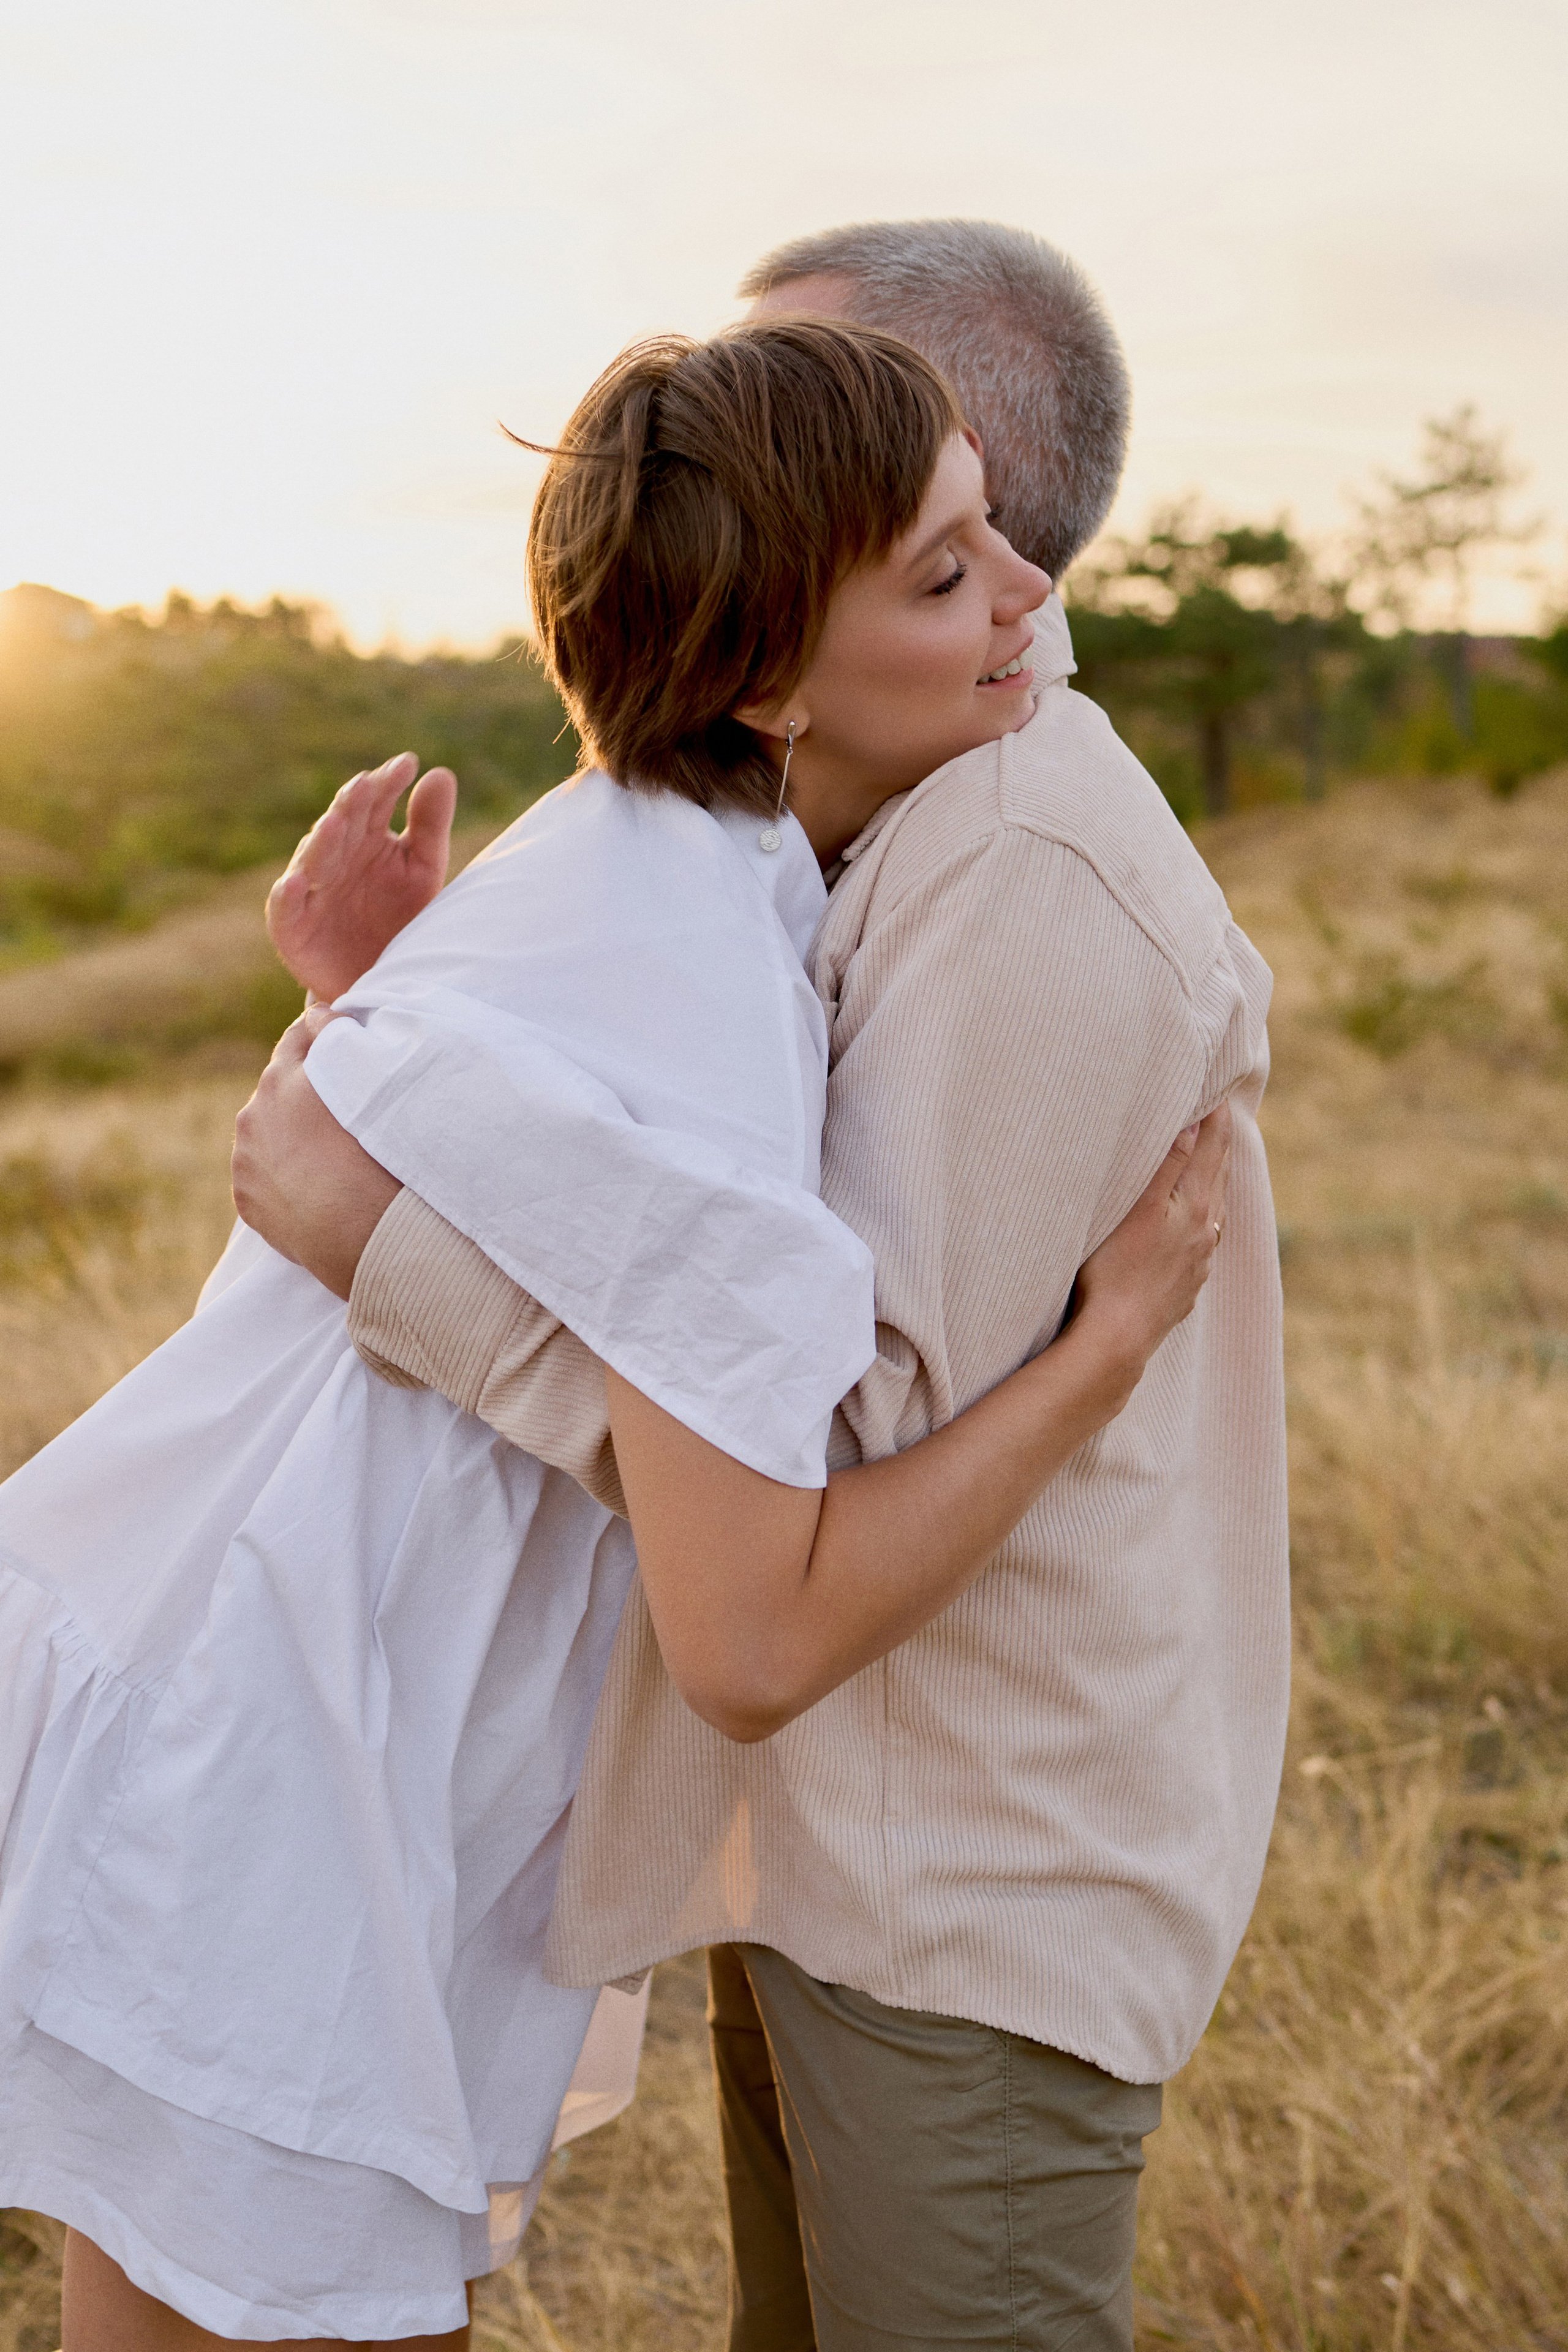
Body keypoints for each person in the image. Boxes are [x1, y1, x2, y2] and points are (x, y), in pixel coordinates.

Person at [0, 317, 1228, 2352]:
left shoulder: (606, 855)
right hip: (302, 1832)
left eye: (995, 533)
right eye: (943, 574)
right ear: (756, 677)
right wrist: (1102, 1354)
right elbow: (754, 1644)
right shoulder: (717, 1030)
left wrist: (363, 1015)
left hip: (205, 1727)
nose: (1034, 597)